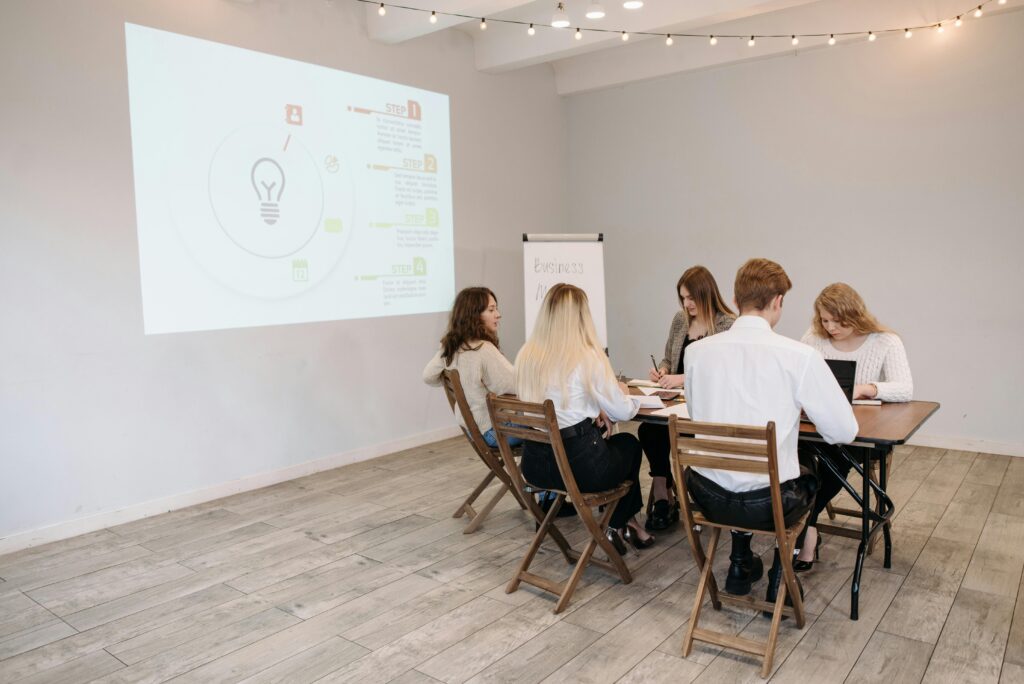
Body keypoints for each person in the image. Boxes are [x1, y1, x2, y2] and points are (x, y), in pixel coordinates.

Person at [683, 259, 858, 604]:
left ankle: (739, 563)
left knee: (748, 469)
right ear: (778, 301)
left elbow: (696, 411)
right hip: (767, 504)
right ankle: (782, 573)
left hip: (707, 495)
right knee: (805, 472)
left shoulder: (696, 354)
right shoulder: (799, 356)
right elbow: (844, 431)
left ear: (735, 301)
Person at [515, 283, 654, 553]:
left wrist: (594, 408)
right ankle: (616, 523)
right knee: (629, 444)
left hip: (536, 466)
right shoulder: (588, 356)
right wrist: (624, 392)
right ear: (580, 317)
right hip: (581, 470)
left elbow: (563, 403)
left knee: (611, 443)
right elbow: (623, 411)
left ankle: (626, 523)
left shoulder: (527, 355)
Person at [793, 283, 913, 570]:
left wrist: (867, 389)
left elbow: (905, 389)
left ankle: (804, 528)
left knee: (836, 457)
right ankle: (806, 527)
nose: (831, 327)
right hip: (814, 427)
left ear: (855, 314)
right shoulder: (813, 338)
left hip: (859, 434)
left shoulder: (885, 341)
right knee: (794, 453)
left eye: (838, 321)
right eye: (825, 320)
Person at [637, 265, 736, 531]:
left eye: (691, 298)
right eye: (682, 297)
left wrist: (681, 379)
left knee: (673, 433)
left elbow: (721, 373)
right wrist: (665, 370)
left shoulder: (727, 324)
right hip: (675, 402)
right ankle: (662, 492)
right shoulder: (680, 320)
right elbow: (670, 357)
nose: (687, 304)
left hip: (706, 408)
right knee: (649, 430)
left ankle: (676, 495)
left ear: (707, 294)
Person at [423, 287, 517, 448]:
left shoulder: (450, 347)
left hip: (473, 430)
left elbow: (428, 376)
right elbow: (515, 385)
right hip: (494, 431)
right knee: (556, 429)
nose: (498, 314)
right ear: (474, 315)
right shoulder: (483, 349)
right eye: (491, 310)